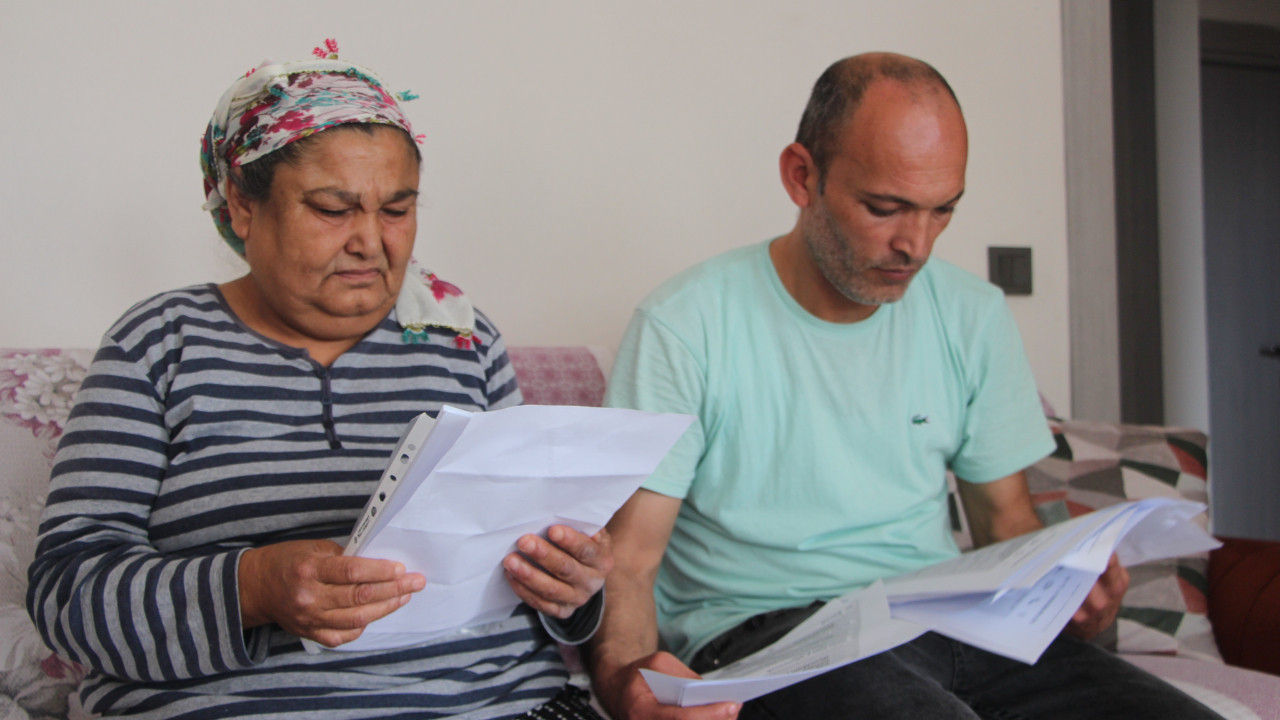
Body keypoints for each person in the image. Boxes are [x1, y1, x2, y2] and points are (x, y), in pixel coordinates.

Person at [586, 52, 1222, 720]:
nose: (916, 245)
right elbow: (630, 560)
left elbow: (1004, 521)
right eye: (885, 208)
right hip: (771, 636)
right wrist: (628, 685)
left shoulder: (972, 314)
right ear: (802, 176)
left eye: (942, 210)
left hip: (954, 622)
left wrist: (1066, 591)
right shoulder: (685, 324)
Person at [27, 42, 609, 720]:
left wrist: (571, 585)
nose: (372, 241)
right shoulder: (158, 343)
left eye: (397, 209)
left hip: (498, 704)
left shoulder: (463, 337)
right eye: (334, 208)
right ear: (243, 207)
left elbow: (529, 562)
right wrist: (252, 588)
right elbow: (66, 591)